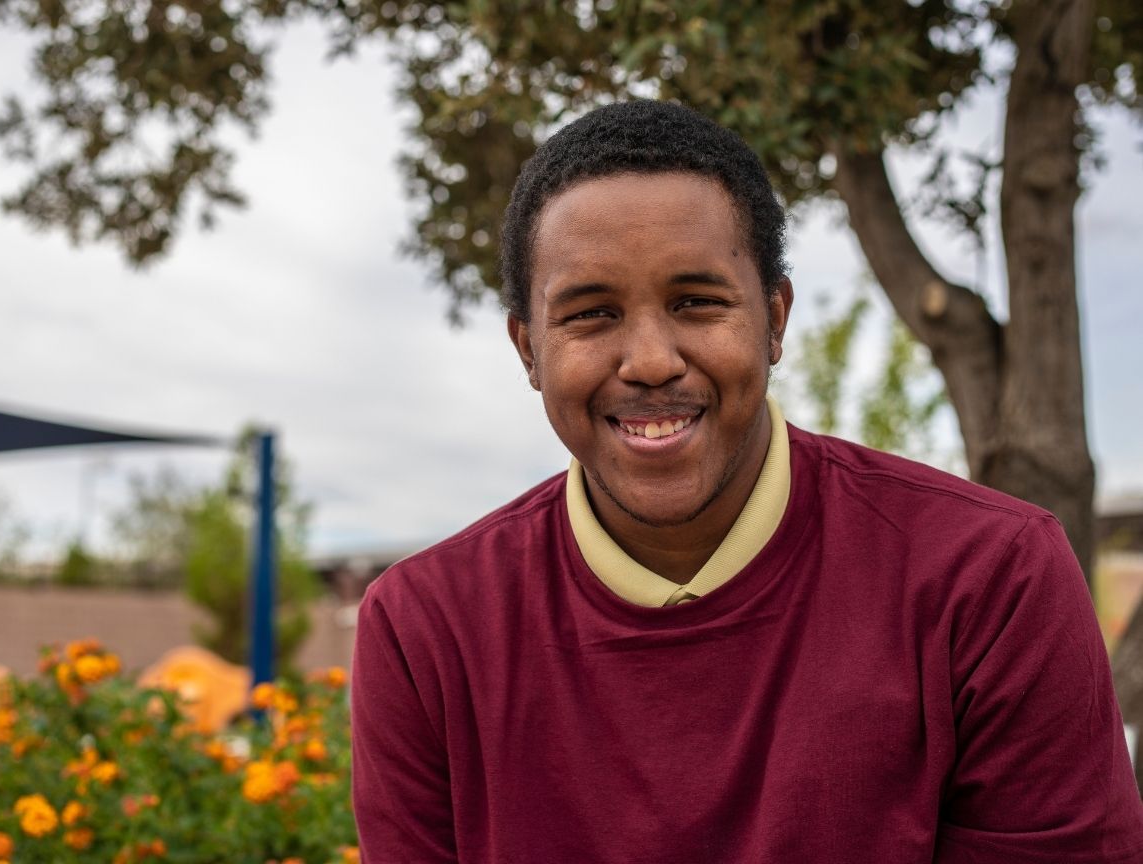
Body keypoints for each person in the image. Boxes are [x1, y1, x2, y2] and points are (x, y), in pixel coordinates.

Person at [350, 100, 1143, 863]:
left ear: (775, 320)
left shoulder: (991, 578)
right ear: (528, 349)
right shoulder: (427, 633)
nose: (652, 360)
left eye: (697, 301)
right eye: (591, 313)